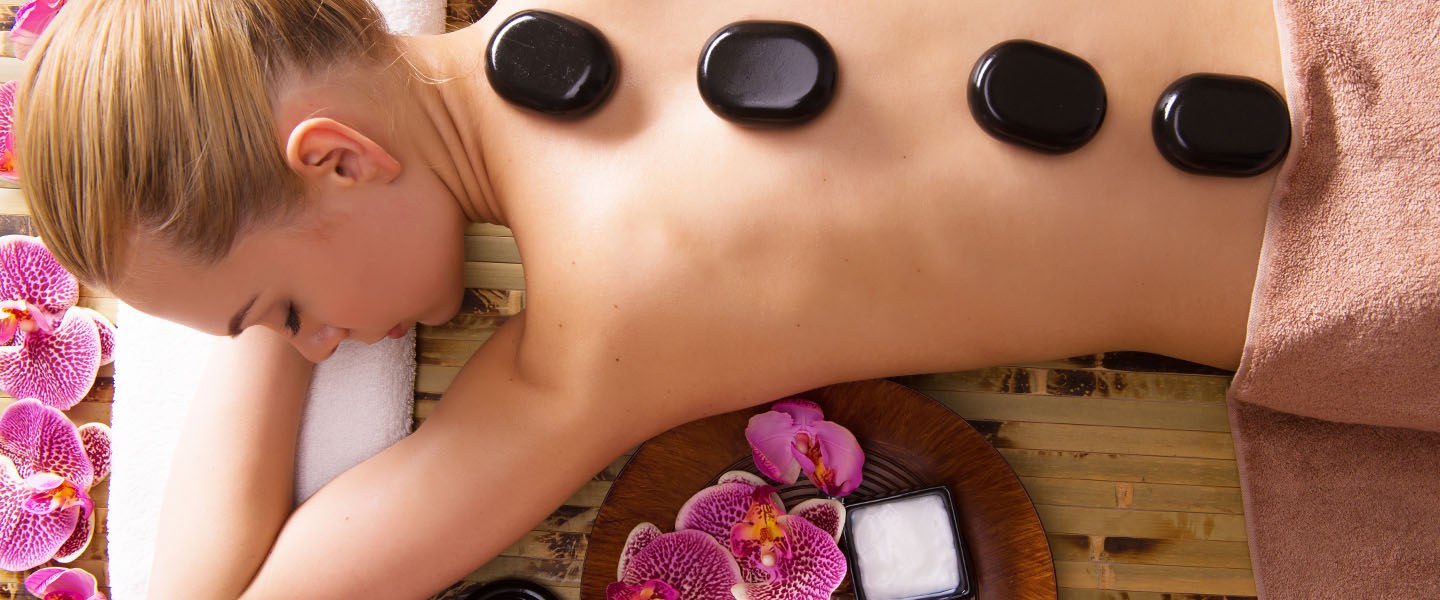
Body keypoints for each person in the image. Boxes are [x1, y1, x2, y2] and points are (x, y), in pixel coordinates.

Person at [16, 0, 1290, 597]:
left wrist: (264, 332)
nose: (322, 342)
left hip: (1364, 276)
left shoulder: (604, 335)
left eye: (282, 309)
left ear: (341, 157)